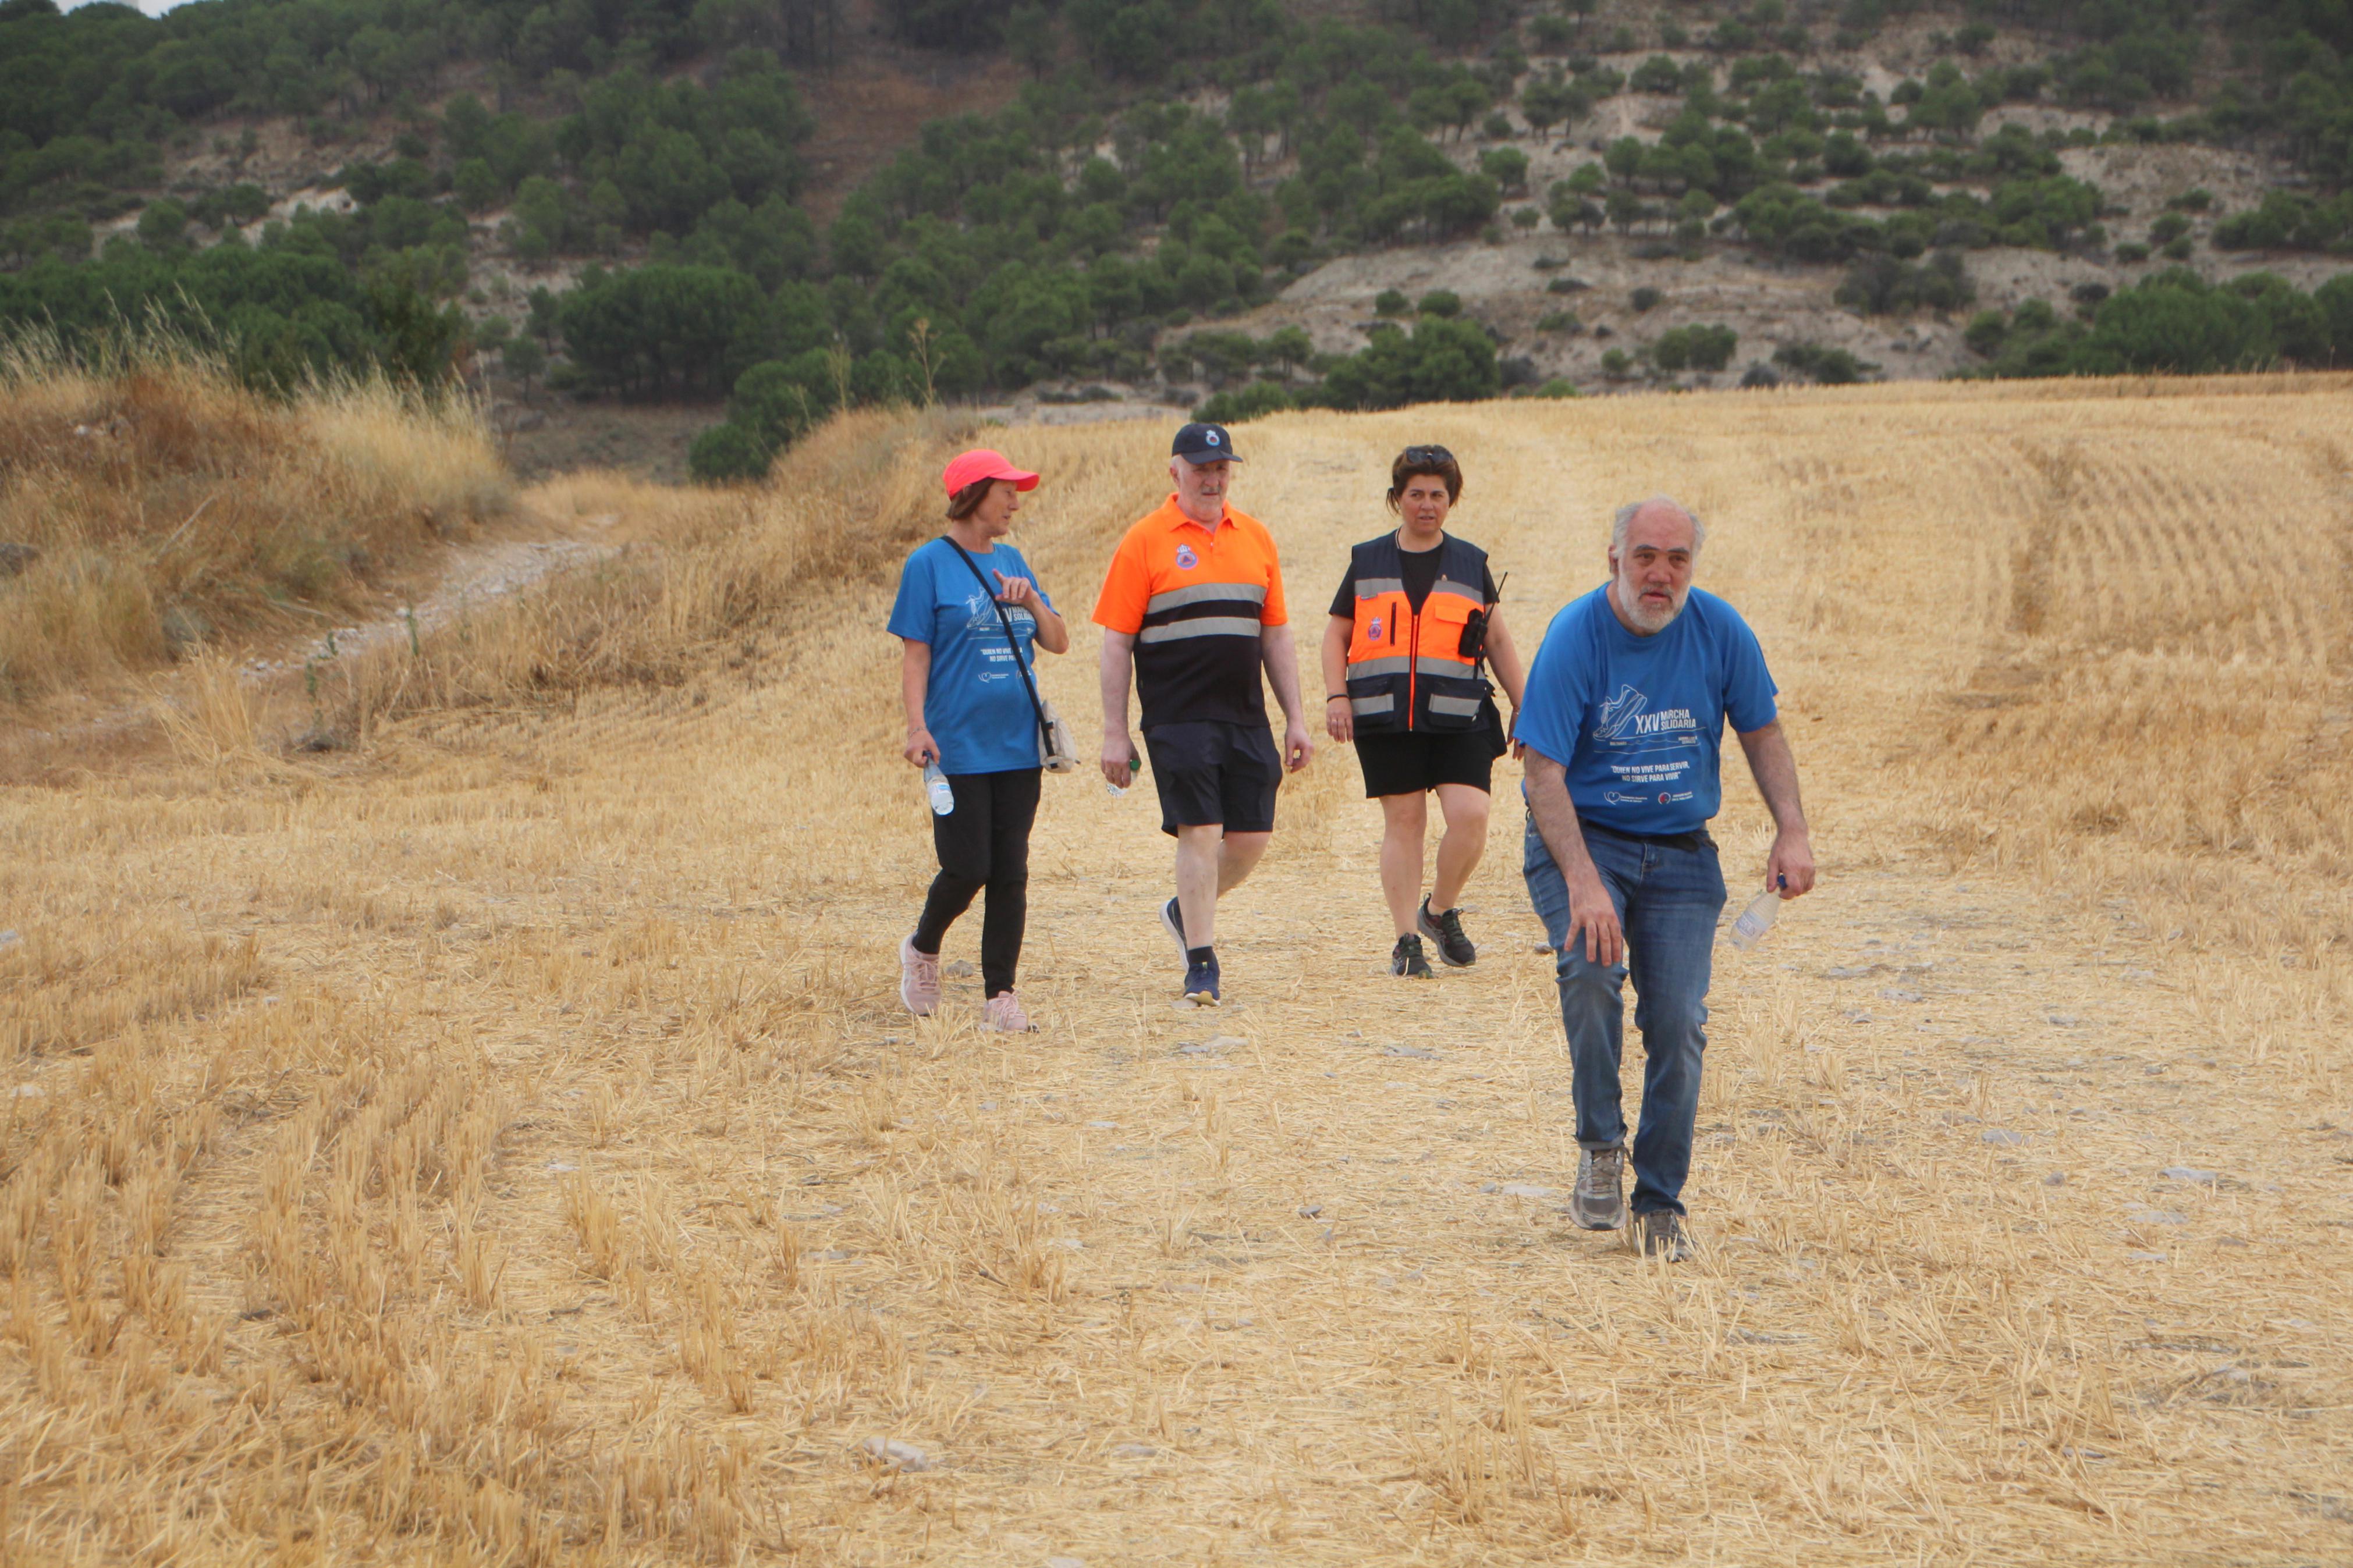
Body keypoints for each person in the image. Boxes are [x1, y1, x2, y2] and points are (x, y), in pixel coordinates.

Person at [1518, 497, 1815, 1261]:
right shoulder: (1573, 635)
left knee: (1678, 1022)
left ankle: (1657, 1200)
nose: (1660, 573)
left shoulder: (1719, 630)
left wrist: (1791, 826)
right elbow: (1542, 772)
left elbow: (1760, 730)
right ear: (1612, 557)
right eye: (1644, 555)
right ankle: (1598, 1144)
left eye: (1676, 559)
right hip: (1583, 841)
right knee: (1589, 967)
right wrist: (1583, 882)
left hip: (1681, 855)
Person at [1093, 421, 1314, 1006]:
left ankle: (1182, 910)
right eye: (1200, 469)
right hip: (1175, 715)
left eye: (1220, 468)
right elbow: (1116, 643)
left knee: (1249, 838)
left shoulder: (1256, 538)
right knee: (1202, 828)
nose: (1211, 479)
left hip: (1244, 715)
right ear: (1174, 472)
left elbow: (1276, 635)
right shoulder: (1143, 540)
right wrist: (1114, 732)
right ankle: (1201, 962)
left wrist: (1295, 716)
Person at [1321, 444, 1527, 978]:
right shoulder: (1366, 560)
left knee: (1471, 817)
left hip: (1460, 712)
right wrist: (1335, 694)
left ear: (1450, 501)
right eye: (1416, 494)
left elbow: (1499, 643)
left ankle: (1437, 910)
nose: (1427, 504)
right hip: (1385, 715)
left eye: (1438, 494)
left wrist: (1526, 708)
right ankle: (1405, 940)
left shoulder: (1470, 562)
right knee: (1405, 821)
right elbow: (1335, 635)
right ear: (1397, 499)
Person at [889, 449, 1070, 1033]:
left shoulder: (1014, 560)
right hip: (957, 746)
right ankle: (921, 948)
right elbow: (916, 655)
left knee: (1010, 870)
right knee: (967, 866)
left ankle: (1001, 995)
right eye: (1006, 491)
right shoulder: (928, 565)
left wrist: (1032, 601)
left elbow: (1058, 641)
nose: (1015, 502)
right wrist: (917, 728)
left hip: (1017, 744)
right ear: (972, 494)